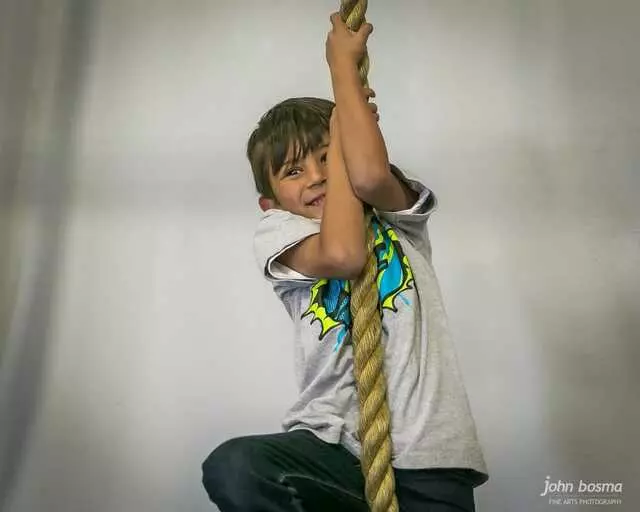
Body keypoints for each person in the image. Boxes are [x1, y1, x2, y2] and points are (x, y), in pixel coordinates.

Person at [201, 12, 489, 512]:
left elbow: (371, 177)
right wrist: (339, 139)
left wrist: (344, 75)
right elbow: (344, 254)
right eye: (293, 171)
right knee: (235, 466)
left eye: (325, 156)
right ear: (270, 202)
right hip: (334, 452)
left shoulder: (395, 215)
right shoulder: (280, 232)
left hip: (431, 455)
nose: (315, 176)